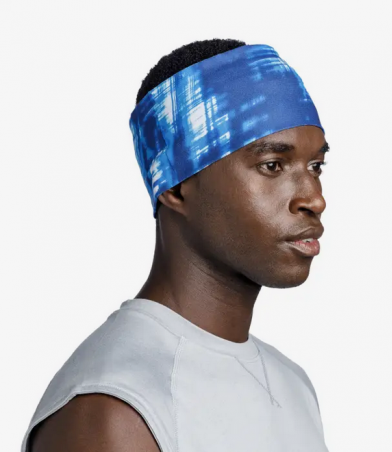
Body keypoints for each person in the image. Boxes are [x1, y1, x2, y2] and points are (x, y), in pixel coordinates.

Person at [22, 38, 330, 452]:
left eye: (316, 166)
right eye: (272, 165)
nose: (314, 198)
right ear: (176, 185)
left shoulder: (293, 384)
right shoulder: (116, 409)